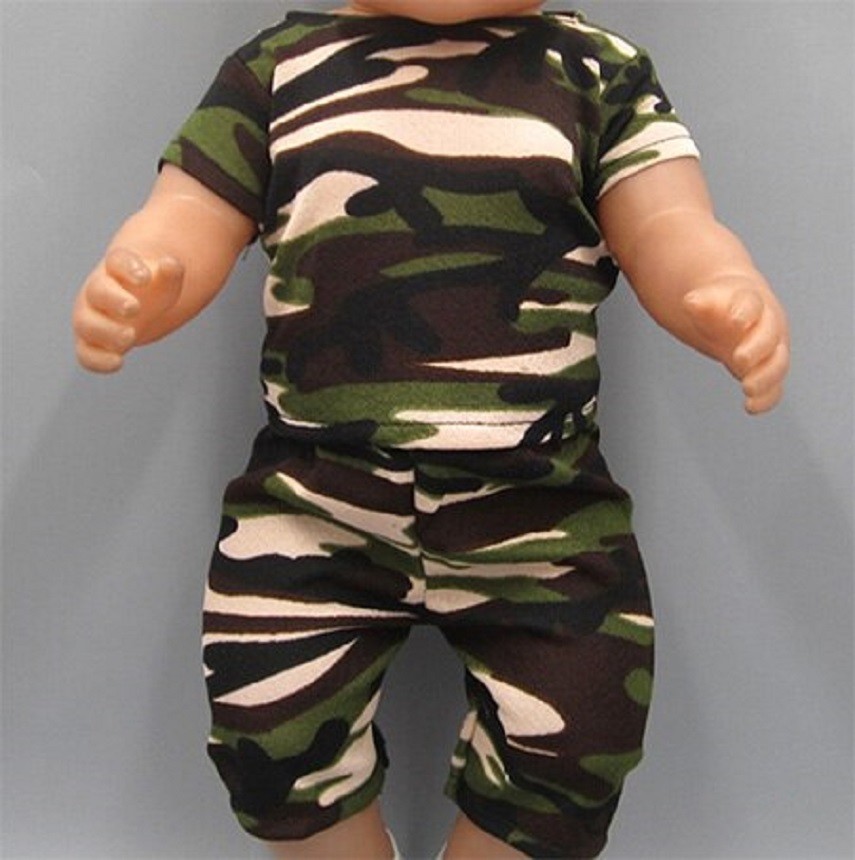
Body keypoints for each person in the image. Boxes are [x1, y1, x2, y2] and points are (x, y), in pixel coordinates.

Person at [71, 1, 790, 857]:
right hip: (313, 503)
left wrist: (719, 284)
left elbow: (669, 222)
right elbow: (189, 211)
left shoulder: (598, 73)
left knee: (586, 730)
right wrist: (151, 272)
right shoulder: (277, 69)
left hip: (542, 508)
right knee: (266, 732)